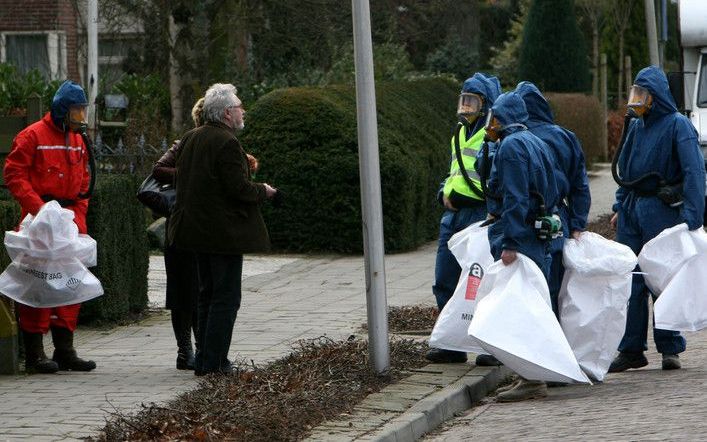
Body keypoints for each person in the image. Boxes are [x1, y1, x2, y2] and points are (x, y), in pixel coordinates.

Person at [168, 83, 277, 376]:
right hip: (222, 234)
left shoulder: (191, 137)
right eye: (239, 106)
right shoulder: (227, 142)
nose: (243, 111)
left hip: (195, 232)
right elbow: (237, 188)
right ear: (227, 113)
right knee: (226, 298)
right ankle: (215, 361)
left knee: (206, 295)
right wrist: (264, 191)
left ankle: (205, 358)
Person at [608, 66, 705, 373]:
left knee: (662, 280)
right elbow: (625, 170)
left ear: (656, 96)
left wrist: (692, 216)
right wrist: (619, 206)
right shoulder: (636, 127)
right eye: (634, 93)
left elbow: (694, 171)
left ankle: (670, 347)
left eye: (641, 94)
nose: (635, 100)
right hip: (634, 210)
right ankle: (632, 348)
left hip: (661, 210)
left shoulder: (678, 126)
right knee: (632, 279)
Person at [4, 80, 96, 373]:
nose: (81, 117)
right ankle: (35, 355)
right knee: (37, 287)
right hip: (39, 224)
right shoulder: (32, 136)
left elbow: (83, 183)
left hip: (67, 223)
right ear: (62, 110)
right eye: (77, 111)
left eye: (83, 111)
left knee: (70, 285)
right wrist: (40, 210)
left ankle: (65, 350)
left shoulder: (77, 139)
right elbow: (15, 174)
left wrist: (77, 219)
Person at [483, 91, 560, 401]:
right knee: (535, 303)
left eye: (495, 117)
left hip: (521, 237)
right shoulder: (534, 142)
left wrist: (511, 241)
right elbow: (551, 188)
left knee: (520, 308)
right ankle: (534, 374)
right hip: (537, 234)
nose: (491, 123)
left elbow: (516, 196)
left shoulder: (511, 147)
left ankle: (531, 379)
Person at [426, 73, 501, 365]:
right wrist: (442, 193)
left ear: (485, 105)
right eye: (463, 100)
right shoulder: (459, 132)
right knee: (444, 278)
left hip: (479, 213)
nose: (465, 107)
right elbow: (454, 172)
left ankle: (488, 347)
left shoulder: (492, 134)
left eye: (472, 101)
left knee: (480, 281)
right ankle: (451, 344)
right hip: (453, 215)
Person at [515, 81, 591, 317]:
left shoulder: (513, 139)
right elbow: (580, 185)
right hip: (556, 219)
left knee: (521, 288)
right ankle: (553, 342)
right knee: (553, 286)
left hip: (521, 220)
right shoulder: (565, 137)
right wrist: (578, 223)